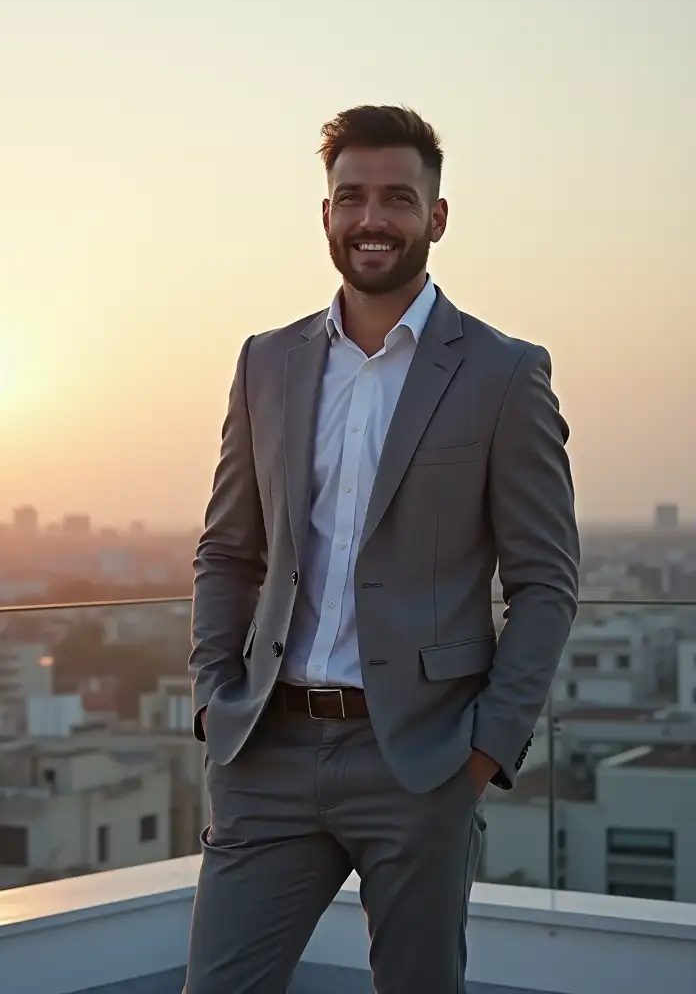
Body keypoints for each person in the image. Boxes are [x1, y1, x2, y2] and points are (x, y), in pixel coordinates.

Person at [185, 105, 580, 993]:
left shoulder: (504, 372)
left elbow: (546, 583)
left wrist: (485, 750)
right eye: (351, 197)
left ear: (436, 218)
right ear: (325, 214)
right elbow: (228, 549)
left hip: (425, 760)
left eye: (398, 198)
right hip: (266, 751)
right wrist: (215, 697)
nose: (372, 219)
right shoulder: (267, 362)